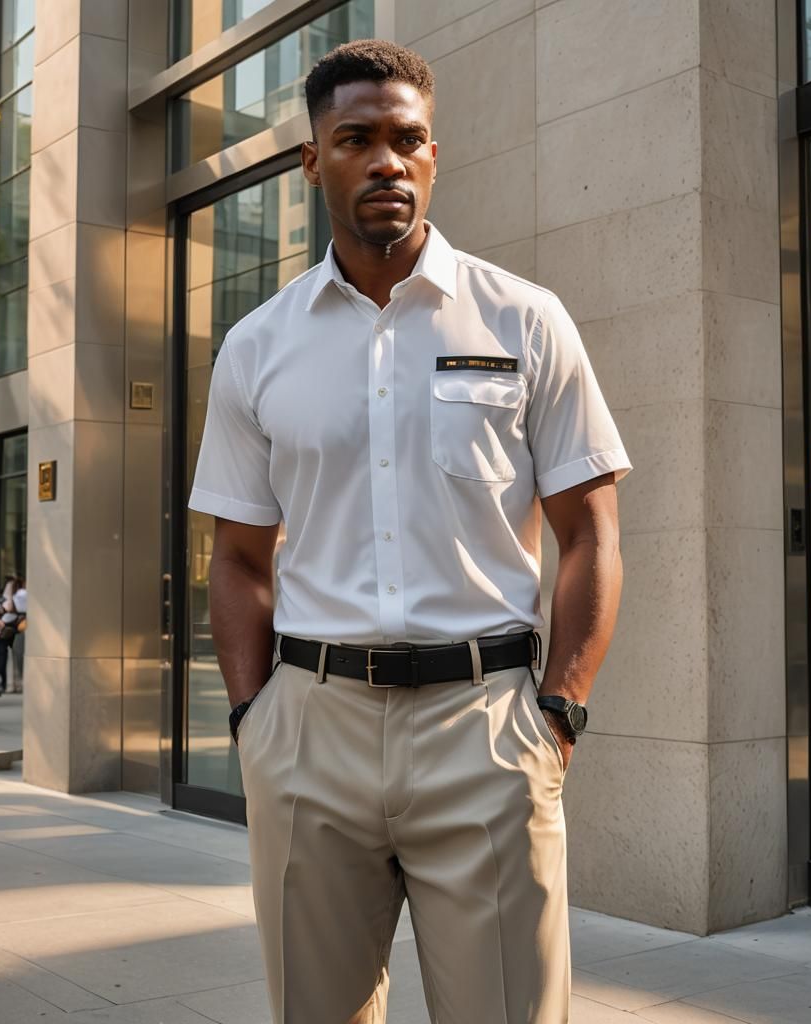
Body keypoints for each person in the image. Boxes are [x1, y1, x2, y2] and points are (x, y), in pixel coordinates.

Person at [188, 41, 630, 1023]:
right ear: (314, 162)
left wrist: (557, 714)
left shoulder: (527, 319)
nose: (386, 160)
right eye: (356, 138)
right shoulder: (256, 346)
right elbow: (238, 555)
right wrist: (256, 720)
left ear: (433, 157)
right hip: (310, 730)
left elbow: (590, 533)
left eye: (408, 140)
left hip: (485, 728)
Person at [2, 576, 26, 693]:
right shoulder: (23, 594)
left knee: (11, 656)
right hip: (19, 625)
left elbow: (6, 607)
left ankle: (11, 684)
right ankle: (19, 683)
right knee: (19, 655)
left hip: (9, 624)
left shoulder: (12, 596)